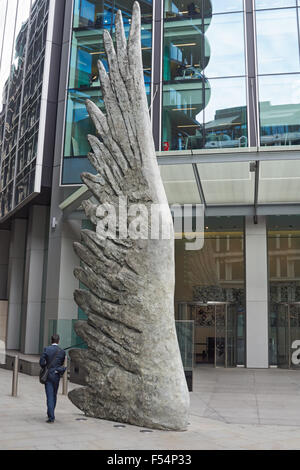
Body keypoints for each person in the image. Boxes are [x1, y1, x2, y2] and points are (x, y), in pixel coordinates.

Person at [39, 334, 66, 423]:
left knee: (49, 395)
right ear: (58, 341)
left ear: (51, 340)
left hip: (48, 375)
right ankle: (51, 412)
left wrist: (46, 366)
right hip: (56, 375)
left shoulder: (47, 349)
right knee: (54, 395)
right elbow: (61, 363)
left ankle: (51, 416)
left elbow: (42, 362)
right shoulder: (62, 351)